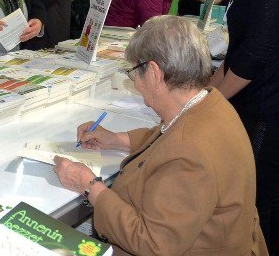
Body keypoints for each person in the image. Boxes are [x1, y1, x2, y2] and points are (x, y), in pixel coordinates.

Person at [53, 15, 267, 256]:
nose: (135, 82)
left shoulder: (189, 153)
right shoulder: (209, 103)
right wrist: (117, 140)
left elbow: (153, 245)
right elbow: (169, 136)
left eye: (134, 72)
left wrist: (89, 185)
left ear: (154, 73)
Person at [209, 0, 279, 253]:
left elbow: (254, 54)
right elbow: (240, 49)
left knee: (258, 208)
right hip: (256, 104)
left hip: (265, 111)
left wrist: (210, 102)